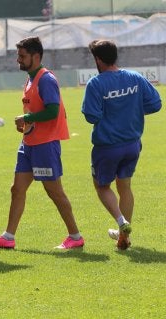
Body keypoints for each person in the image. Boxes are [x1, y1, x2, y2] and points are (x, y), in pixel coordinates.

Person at [0, 36, 84, 250]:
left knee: (55, 192)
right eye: (18, 56)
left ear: (36, 57)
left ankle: (75, 236)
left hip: (45, 145)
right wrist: (26, 124)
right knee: (17, 189)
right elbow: (37, 111)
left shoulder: (46, 79)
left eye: (22, 56)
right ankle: (8, 237)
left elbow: (53, 110)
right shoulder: (30, 79)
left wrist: (27, 119)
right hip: (29, 144)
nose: (18, 60)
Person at [81, 40, 161, 250]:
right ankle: (123, 238)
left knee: (102, 186)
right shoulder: (135, 77)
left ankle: (121, 222)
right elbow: (155, 103)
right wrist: (130, 111)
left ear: (98, 59)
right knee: (124, 187)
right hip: (132, 145)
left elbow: (91, 116)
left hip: (107, 147)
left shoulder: (96, 84)